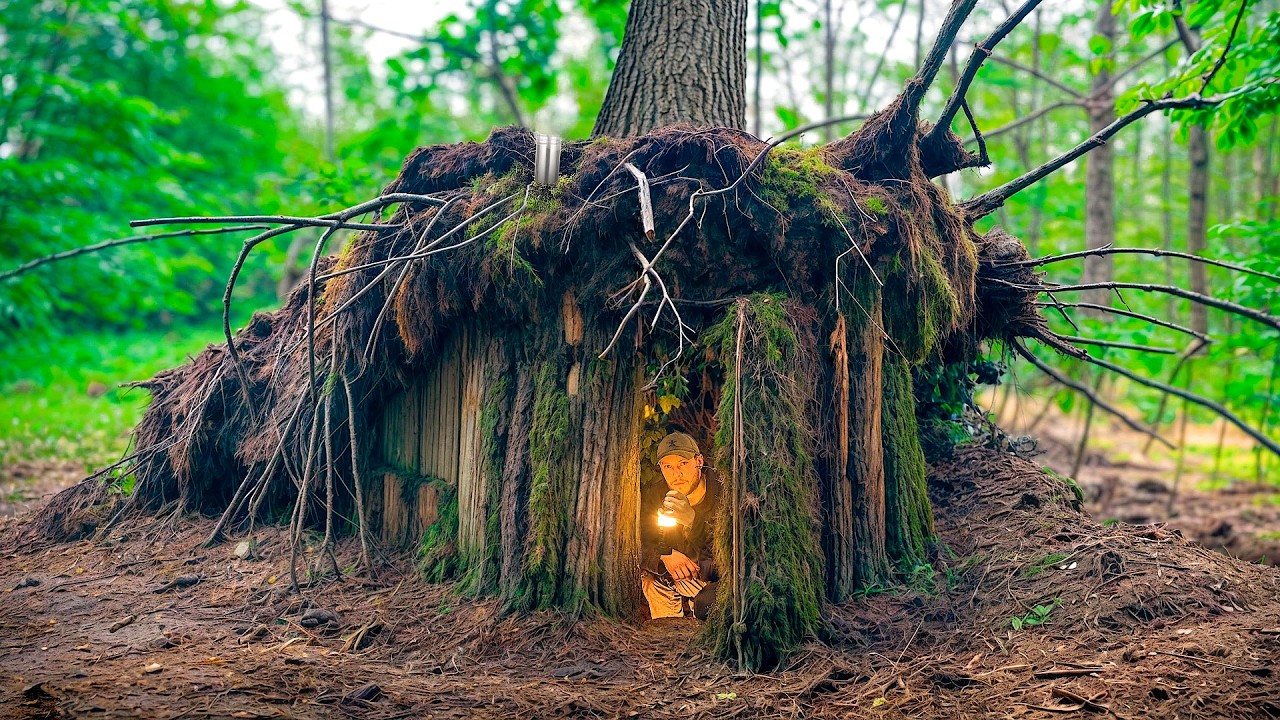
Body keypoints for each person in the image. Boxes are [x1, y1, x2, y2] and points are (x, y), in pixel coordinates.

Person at [640, 431, 720, 619]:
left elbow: (728, 552)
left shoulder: (721, 492)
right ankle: (668, 633)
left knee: (707, 603)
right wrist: (663, 555)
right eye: (668, 466)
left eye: (683, 463)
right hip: (678, 574)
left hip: (715, 575)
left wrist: (692, 521)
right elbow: (640, 537)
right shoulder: (658, 494)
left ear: (698, 461)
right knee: (652, 579)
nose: (677, 473)